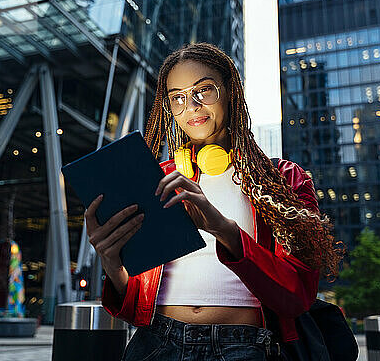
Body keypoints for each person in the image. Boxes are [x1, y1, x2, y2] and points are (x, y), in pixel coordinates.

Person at [84, 43, 342, 360]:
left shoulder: (284, 179)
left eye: (203, 90)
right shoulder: (156, 178)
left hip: (246, 345)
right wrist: (111, 262)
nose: (190, 105)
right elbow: (135, 306)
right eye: (177, 97)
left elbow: (297, 295)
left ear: (231, 91)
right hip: (157, 343)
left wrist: (223, 229)